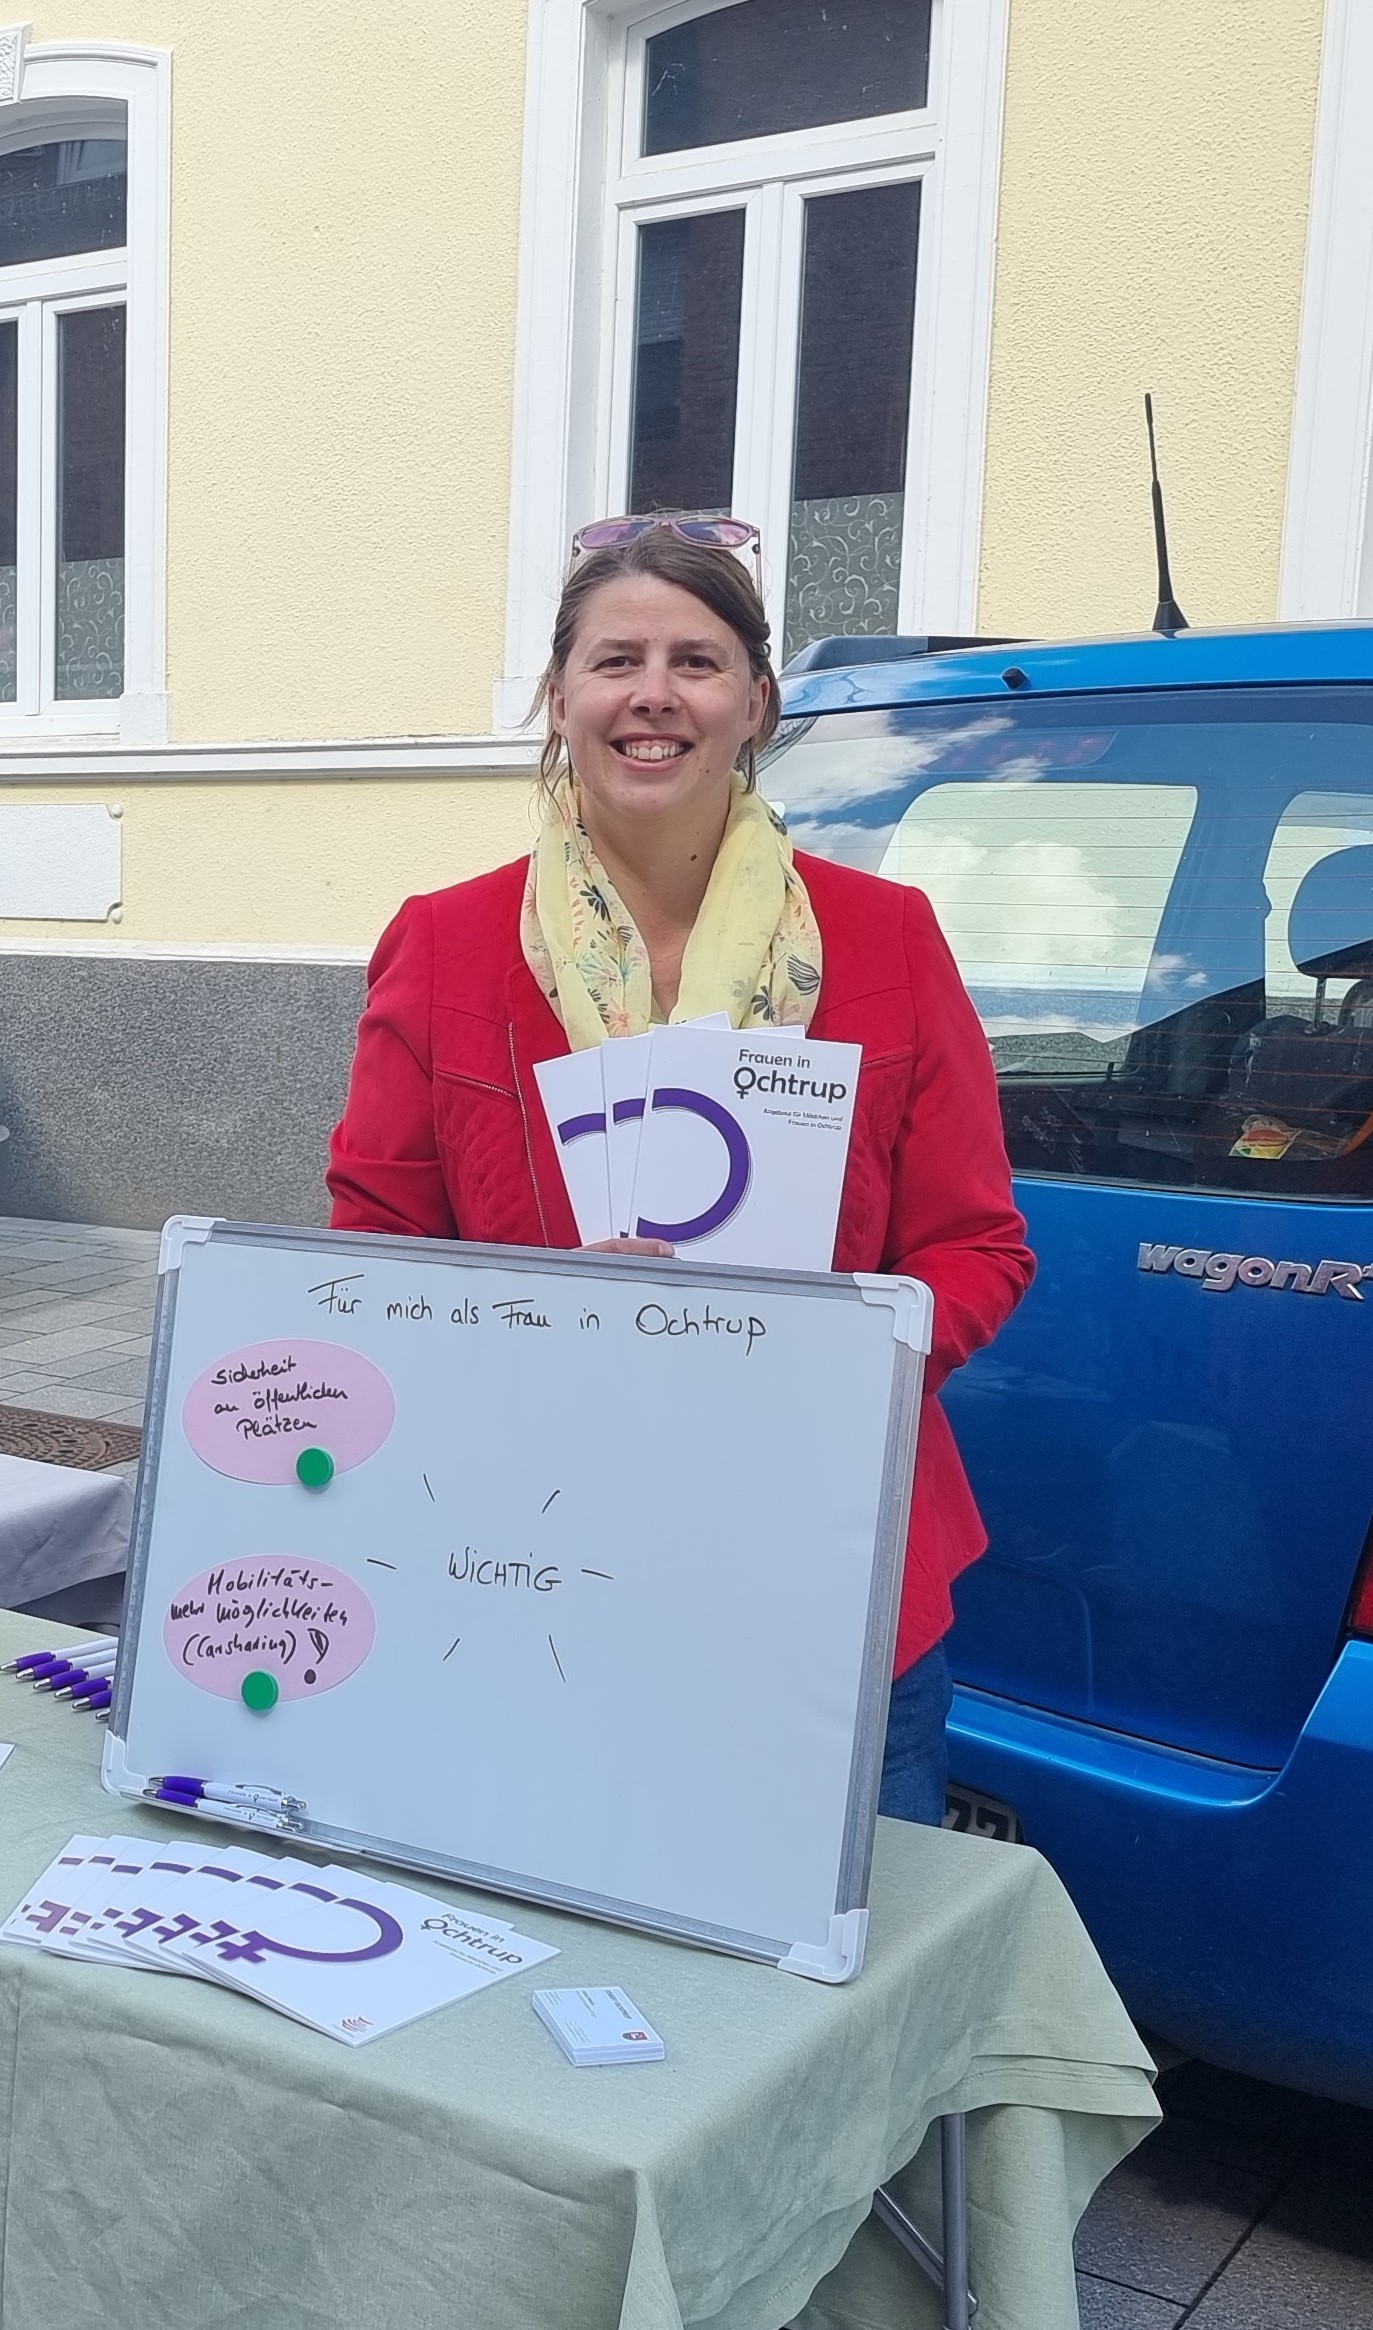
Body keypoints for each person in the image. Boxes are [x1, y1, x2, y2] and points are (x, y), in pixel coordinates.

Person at [325, 516, 1032, 1830]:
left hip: (826, 1567)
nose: (652, 695)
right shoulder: (444, 946)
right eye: (615, 660)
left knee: (839, 1974)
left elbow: (977, 1248)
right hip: (528, 1554)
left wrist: (822, 1347)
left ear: (755, 704)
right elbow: (371, 1261)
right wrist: (542, 1316)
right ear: (558, 697)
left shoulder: (884, 939)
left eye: (695, 662)